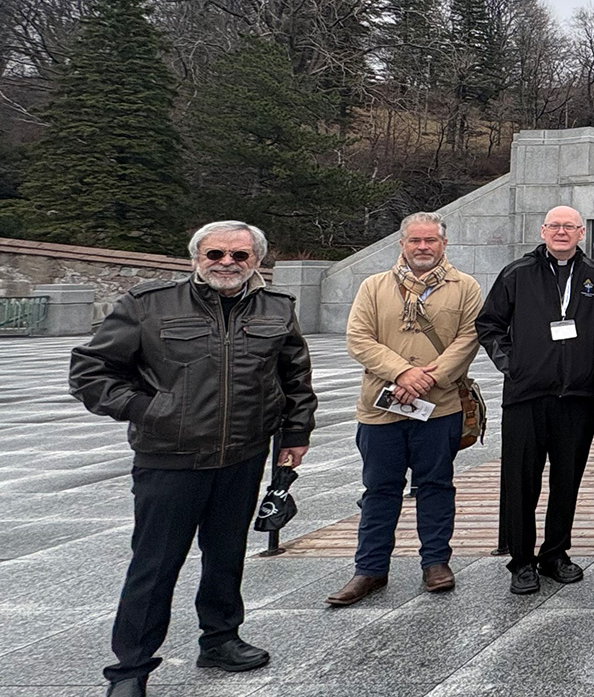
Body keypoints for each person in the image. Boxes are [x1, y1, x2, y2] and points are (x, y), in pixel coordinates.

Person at [70, 221, 316, 695]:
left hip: (243, 454)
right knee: (155, 564)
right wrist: (147, 409)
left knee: (226, 555)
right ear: (196, 257)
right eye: (215, 253)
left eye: (240, 255)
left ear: (256, 261)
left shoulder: (276, 307)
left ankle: (221, 639)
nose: (227, 263)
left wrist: (295, 432)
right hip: (169, 456)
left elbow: (294, 377)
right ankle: (130, 669)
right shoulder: (149, 304)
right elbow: (90, 370)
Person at [327, 212, 484, 607]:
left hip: (439, 406)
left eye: (431, 240)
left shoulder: (465, 287)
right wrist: (402, 373)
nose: (423, 247)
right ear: (402, 244)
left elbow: (468, 339)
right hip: (381, 408)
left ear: (444, 244)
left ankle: (436, 562)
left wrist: (429, 378)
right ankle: (369, 568)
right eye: (415, 240)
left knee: (436, 486)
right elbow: (359, 338)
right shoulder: (374, 286)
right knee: (379, 489)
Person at [476, 205, 594, 596]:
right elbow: (488, 324)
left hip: (577, 398)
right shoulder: (517, 273)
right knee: (521, 482)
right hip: (526, 397)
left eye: (570, 226)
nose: (561, 232)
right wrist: (512, 364)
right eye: (555, 226)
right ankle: (521, 561)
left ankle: (555, 553)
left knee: (567, 481)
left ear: (582, 233)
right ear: (543, 230)